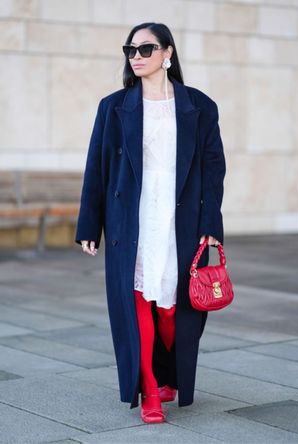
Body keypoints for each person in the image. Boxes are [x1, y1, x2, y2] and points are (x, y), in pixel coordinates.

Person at [75, 22, 226, 424]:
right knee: (136, 301)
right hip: (132, 220)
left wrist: (212, 220)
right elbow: (98, 167)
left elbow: (213, 169)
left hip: (182, 222)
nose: (136, 57)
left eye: (146, 49)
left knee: (173, 310)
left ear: (167, 54)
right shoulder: (114, 106)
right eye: (131, 50)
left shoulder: (200, 106)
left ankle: (169, 372)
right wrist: (90, 225)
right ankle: (149, 392)